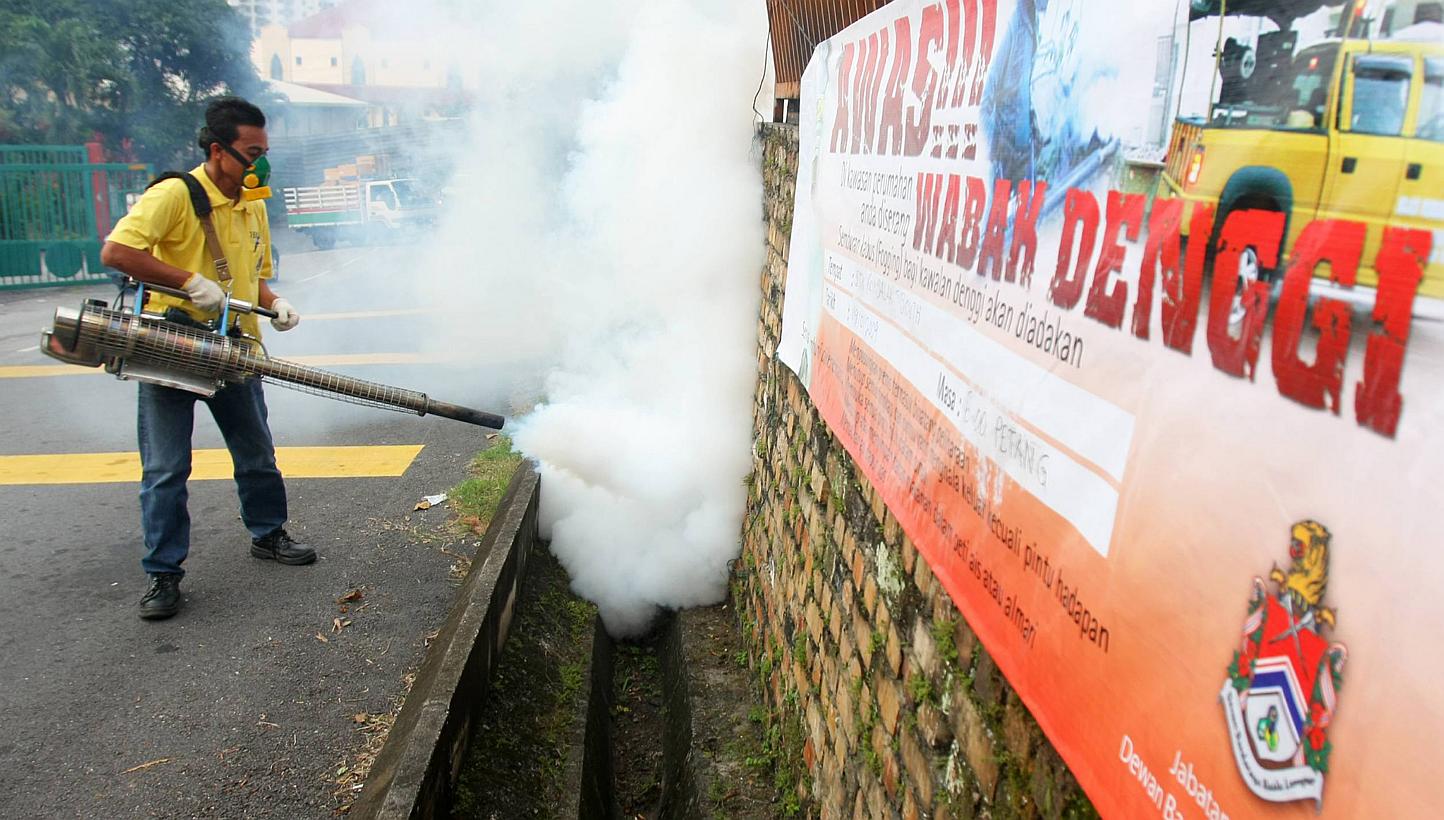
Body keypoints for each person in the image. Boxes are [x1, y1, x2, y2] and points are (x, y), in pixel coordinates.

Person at [100, 97, 313, 621]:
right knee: (167, 467)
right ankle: (163, 574)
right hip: (173, 345)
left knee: (256, 450)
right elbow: (117, 253)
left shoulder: (253, 203)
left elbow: (253, 276)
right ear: (218, 151)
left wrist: (274, 303)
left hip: (234, 345)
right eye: (250, 152)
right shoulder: (175, 194)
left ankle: (268, 534)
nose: (259, 163)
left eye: (264, 152)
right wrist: (187, 282)